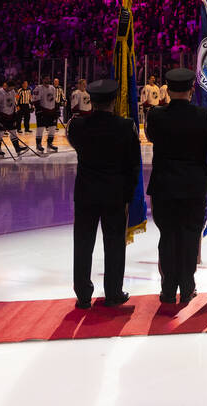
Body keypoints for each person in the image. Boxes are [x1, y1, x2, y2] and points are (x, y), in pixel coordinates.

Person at [145, 68, 207, 304]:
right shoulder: (202, 115)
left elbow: (151, 137)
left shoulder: (156, 115)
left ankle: (168, 289)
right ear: (192, 89)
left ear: (167, 90)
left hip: (164, 185)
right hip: (193, 184)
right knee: (190, 236)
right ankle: (187, 287)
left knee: (167, 235)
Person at [67, 79, 142, 309]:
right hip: (115, 193)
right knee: (114, 244)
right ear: (114, 100)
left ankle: (83, 295)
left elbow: (75, 144)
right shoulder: (125, 126)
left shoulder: (77, 126)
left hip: (86, 193)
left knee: (82, 243)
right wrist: (129, 195)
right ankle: (113, 293)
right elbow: (133, 164)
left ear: (92, 101)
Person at [0, 80, 24, 158]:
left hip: (10, 116)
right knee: (1, 133)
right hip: (2, 116)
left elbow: (13, 104)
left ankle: (17, 149)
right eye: (10, 88)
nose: (11, 90)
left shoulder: (12, 92)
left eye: (12, 88)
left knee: (13, 132)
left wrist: (14, 115)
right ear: (6, 86)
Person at [33, 77, 60, 152]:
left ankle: (50, 143)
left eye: (48, 79)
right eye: (46, 79)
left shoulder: (53, 88)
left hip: (51, 112)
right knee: (40, 129)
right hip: (42, 112)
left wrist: (57, 109)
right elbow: (35, 100)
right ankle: (38, 144)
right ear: (42, 80)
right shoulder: (38, 88)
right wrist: (39, 110)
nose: (47, 80)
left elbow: (54, 100)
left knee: (53, 128)